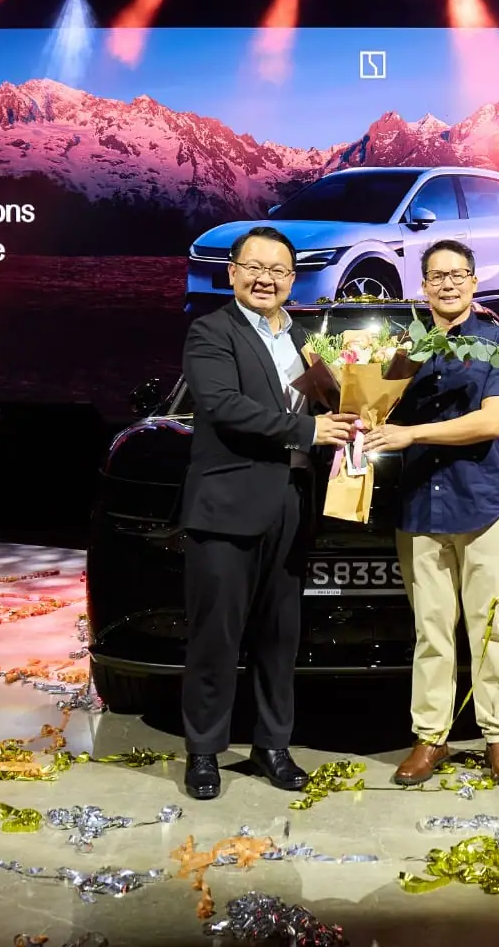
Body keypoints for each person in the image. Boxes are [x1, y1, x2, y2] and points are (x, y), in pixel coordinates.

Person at [178, 225, 356, 800]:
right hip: (227, 506)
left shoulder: (304, 337)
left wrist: (361, 408)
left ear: (293, 279)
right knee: (216, 636)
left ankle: (272, 746)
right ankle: (205, 751)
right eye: (254, 268)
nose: (266, 279)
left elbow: (335, 401)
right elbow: (223, 405)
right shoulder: (211, 331)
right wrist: (309, 429)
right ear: (231, 273)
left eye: (278, 270)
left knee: (281, 637)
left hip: (292, 502)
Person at [362, 240, 499, 787]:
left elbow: (492, 422)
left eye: (458, 274)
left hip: (484, 505)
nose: (448, 284)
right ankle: (430, 737)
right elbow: (370, 407)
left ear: (474, 282)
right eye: (437, 276)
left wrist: (411, 433)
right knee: (431, 631)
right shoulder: (404, 349)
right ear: (423, 286)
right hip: (420, 506)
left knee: (489, 627)